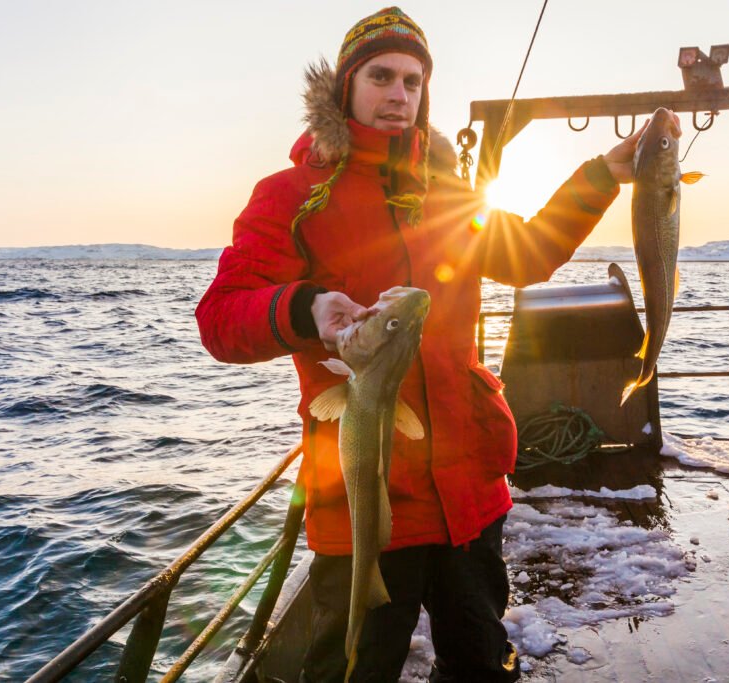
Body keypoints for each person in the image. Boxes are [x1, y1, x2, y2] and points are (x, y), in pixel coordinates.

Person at [196, 7, 671, 681]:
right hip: (365, 501)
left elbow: (529, 251)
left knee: (482, 662)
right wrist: (306, 306)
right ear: (345, 87)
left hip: (471, 492)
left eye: (413, 82)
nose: (398, 94)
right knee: (353, 668)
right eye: (381, 76)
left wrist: (601, 175)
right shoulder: (291, 196)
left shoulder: (447, 192)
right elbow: (221, 318)